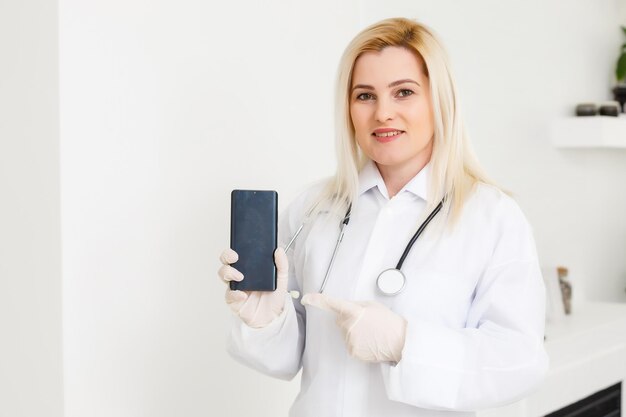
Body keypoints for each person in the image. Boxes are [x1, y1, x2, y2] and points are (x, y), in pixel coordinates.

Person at [218, 17, 549, 417]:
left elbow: (520, 362)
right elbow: (288, 358)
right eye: (365, 96)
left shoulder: (492, 217)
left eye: (404, 92)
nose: (382, 113)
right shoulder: (313, 208)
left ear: (438, 100)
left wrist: (405, 343)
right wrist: (266, 320)